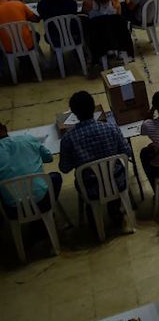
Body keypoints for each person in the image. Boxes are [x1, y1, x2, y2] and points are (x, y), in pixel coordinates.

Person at [58, 90, 134, 223]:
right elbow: (127, 152)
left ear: (74, 113)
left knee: (84, 185)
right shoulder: (111, 128)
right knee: (113, 174)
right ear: (94, 108)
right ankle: (115, 211)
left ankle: (94, 220)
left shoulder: (68, 139)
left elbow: (64, 168)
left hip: (91, 187)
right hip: (117, 181)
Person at [0, 118, 63, 215]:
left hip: (14, 211)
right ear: (5, 128)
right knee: (55, 177)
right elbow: (49, 158)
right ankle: (48, 213)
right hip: (41, 202)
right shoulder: (27, 139)